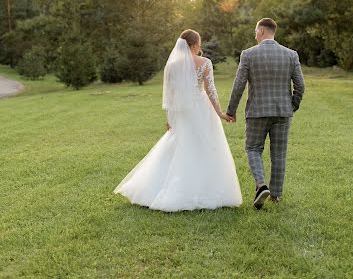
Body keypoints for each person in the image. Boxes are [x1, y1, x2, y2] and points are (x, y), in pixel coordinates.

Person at [113, 29, 242, 212]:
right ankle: (205, 190)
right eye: (199, 43)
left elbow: (170, 96)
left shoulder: (172, 65)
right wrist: (220, 112)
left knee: (180, 146)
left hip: (181, 112)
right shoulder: (205, 63)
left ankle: (162, 189)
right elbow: (211, 90)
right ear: (195, 45)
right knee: (205, 146)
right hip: (201, 109)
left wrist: (170, 118)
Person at [226, 18, 305, 209]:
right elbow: (300, 85)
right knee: (279, 153)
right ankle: (276, 195)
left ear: (261, 31)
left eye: (255, 32)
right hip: (282, 112)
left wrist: (231, 110)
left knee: (253, 148)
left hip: (257, 111)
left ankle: (261, 185)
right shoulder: (290, 54)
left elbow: (239, 85)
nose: (255, 36)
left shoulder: (248, 54)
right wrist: (291, 105)